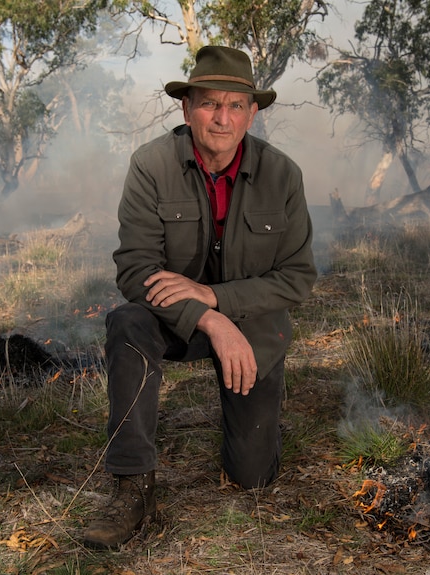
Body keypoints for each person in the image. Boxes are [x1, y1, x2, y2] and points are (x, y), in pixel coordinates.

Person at [83, 45, 317, 548]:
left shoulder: (284, 175)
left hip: (252, 322)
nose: (222, 118)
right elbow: (136, 269)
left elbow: (297, 277)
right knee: (126, 321)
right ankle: (132, 486)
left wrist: (215, 298)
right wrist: (208, 318)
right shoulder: (150, 165)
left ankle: (253, 436)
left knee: (251, 477)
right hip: (173, 318)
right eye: (210, 103)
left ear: (253, 113)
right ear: (186, 107)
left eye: (236, 105)